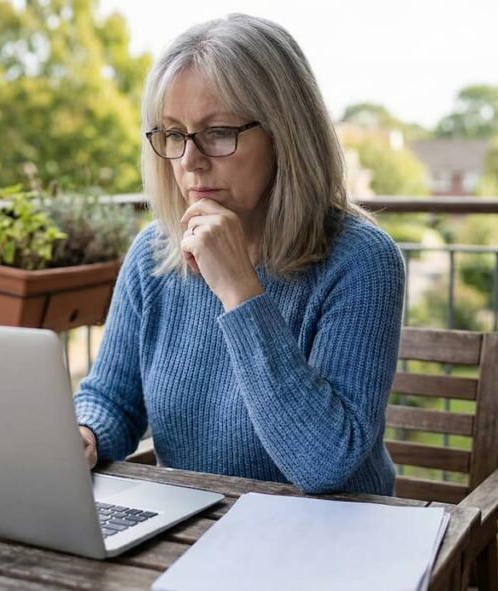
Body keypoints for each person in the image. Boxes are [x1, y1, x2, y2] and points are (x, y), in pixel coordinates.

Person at [74, 13, 404, 495]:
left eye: (218, 132)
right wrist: (86, 434)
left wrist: (240, 291)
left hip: (334, 537)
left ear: (285, 135)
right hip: (193, 528)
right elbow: (112, 399)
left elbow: (325, 465)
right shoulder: (155, 254)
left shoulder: (360, 261)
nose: (189, 162)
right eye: (173, 134)